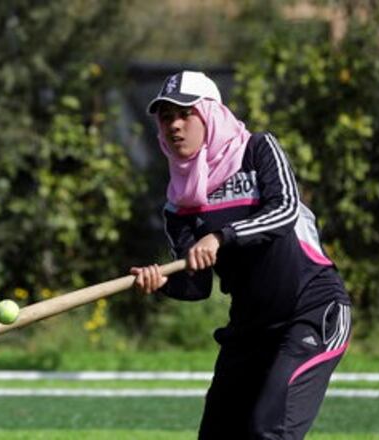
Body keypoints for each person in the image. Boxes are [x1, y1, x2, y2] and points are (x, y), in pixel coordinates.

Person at [131, 71, 352, 439]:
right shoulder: (179, 203)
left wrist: (221, 236)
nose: (175, 125)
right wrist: (161, 283)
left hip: (312, 312)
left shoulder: (258, 149)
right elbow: (196, 285)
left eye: (186, 114)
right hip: (249, 331)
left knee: (269, 430)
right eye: (166, 117)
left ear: (210, 114)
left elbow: (284, 211)